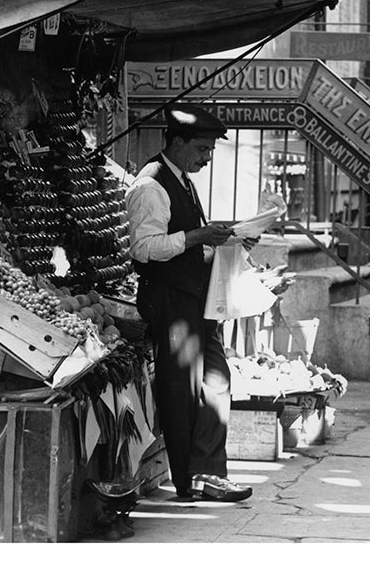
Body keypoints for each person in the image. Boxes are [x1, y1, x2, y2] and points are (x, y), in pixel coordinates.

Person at [124, 103, 252, 503]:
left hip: (195, 298)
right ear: (177, 143)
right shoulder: (150, 185)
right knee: (181, 390)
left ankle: (210, 471)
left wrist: (227, 240)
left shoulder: (182, 179)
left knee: (216, 381)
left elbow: (186, 240)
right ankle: (190, 480)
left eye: (210, 150)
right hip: (169, 298)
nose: (207, 158)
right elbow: (144, 249)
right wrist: (198, 237)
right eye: (201, 149)